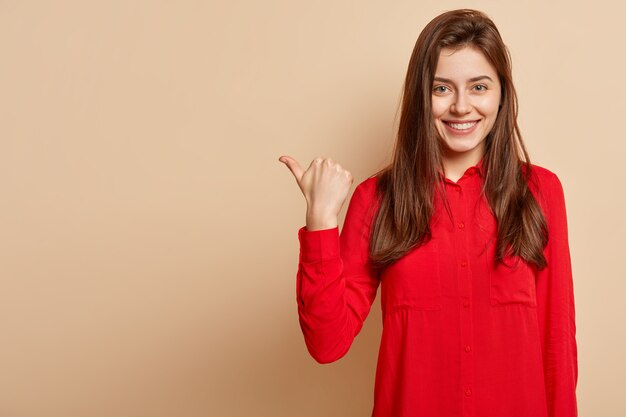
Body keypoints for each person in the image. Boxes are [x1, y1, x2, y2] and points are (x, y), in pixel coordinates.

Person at [278, 8, 577, 417]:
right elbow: (327, 344)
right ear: (421, 94)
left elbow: (557, 344)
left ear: (501, 94)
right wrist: (320, 221)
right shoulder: (377, 200)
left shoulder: (540, 192)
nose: (460, 106)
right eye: (441, 88)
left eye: (479, 87)